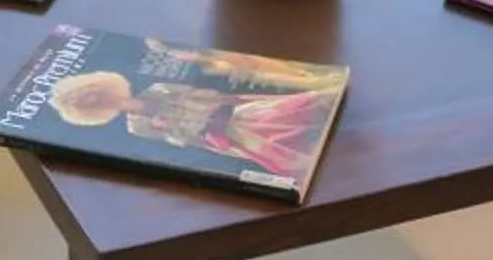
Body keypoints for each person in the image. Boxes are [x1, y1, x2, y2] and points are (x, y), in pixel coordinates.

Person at [47, 66, 339, 181]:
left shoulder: (157, 90)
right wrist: (219, 145)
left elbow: (217, 97)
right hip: (223, 136)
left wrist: (245, 100)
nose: (105, 101)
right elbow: (186, 143)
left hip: (237, 115)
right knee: (288, 154)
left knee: (294, 114)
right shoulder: (136, 128)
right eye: (95, 102)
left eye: (97, 95)